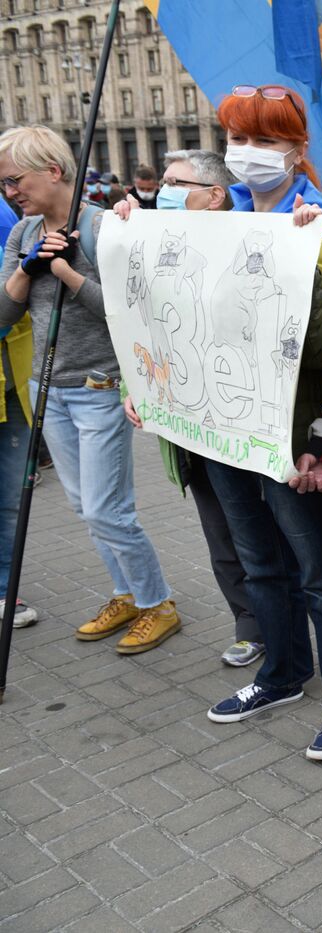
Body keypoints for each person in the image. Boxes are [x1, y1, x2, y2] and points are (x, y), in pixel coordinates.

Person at [200, 84, 322, 762]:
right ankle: (281, 672)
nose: (245, 154)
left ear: (297, 151)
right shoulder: (222, 222)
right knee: (258, 560)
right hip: (225, 427)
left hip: (293, 439)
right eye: (236, 138)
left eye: (262, 141)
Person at [0, 126, 180, 654]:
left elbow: (130, 310)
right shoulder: (23, 232)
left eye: (15, 179)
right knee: (83, 507)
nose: (10, 192)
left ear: (53, 171)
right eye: (3, 184)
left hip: (99, 386)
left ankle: (157, 602)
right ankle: (125, 592)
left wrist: (66, 272)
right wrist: (28, 271)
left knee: (107, 509)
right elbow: (4, 314)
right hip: (46, 388)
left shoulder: (102, 226)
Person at [114, 148, 276, 668]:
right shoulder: (149, 240)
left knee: (274, 536)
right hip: (187, 427)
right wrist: (131, 390)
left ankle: (309, 630)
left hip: (244, 421)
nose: (162, 191)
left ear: (215, 195)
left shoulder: (255, 241)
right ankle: (250, 625)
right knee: (220, 534)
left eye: (176, 182)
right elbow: (134, 324)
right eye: (161, 181)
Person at [0, 190, 36, 629]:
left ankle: (7, 587)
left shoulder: (8, 218)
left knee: (11, 497)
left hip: (15, 381)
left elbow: (16, 299)